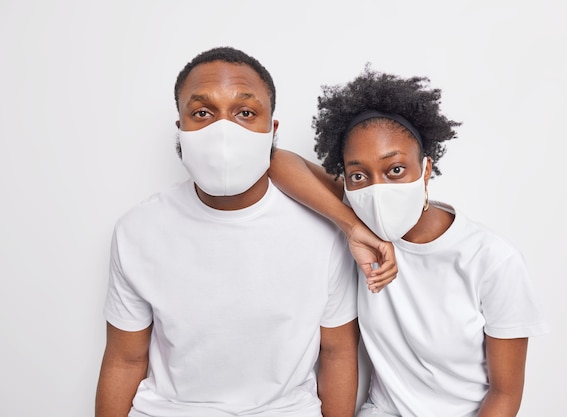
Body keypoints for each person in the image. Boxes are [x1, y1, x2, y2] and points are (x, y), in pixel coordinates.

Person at [95, 47, 395, 417]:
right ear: (181, 128)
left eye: (246, 113)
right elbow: (124, 359)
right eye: (202, 113)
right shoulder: (137, 230)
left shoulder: (325, 231)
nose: (224, 131)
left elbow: (337, 353)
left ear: (271, 129)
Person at [269, 66, 550, 417]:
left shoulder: (492, 260)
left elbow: (505, 396)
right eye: (358, 175)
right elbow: (274, 160)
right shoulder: (362, 217)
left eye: (395, 169)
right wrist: (351, 227)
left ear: (426, 168)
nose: (378, 188)